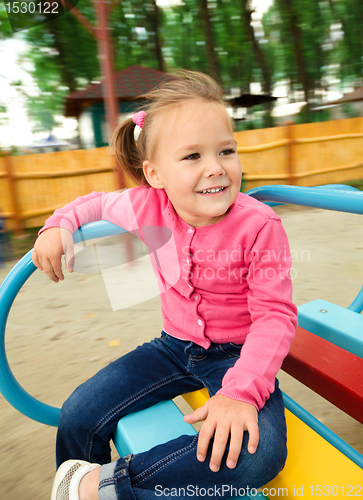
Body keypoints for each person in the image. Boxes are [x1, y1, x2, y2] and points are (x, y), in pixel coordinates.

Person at [32, 71, 298, 500]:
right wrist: (58, 224)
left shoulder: (259, 225)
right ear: (155, 174)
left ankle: (103, 489)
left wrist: (240, 393)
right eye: (192, 156)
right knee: (79, 411)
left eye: (226, 150)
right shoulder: (145, 204)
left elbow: (275, 316)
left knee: (260, 453)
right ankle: (74, 481)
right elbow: (94, 202)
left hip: (237, 356)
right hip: (172, 347)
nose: (216, 167)